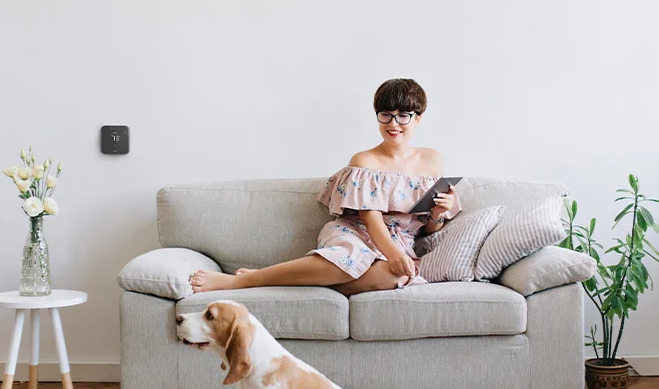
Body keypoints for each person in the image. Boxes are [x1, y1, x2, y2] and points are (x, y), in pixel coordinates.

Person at [189, 78, 461, 295]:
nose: (393, 124)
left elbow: (429, 228)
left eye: (403, 116)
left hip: (400, 241)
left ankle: (308, 282)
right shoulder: (365, 161)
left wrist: (438, 214)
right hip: (357, 233)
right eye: (386, 115)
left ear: (418, 118)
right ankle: (244, 281)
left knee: (396, 276)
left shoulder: (432, 160)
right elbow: (371, 219)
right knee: (349, 258)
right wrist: (395, 254)